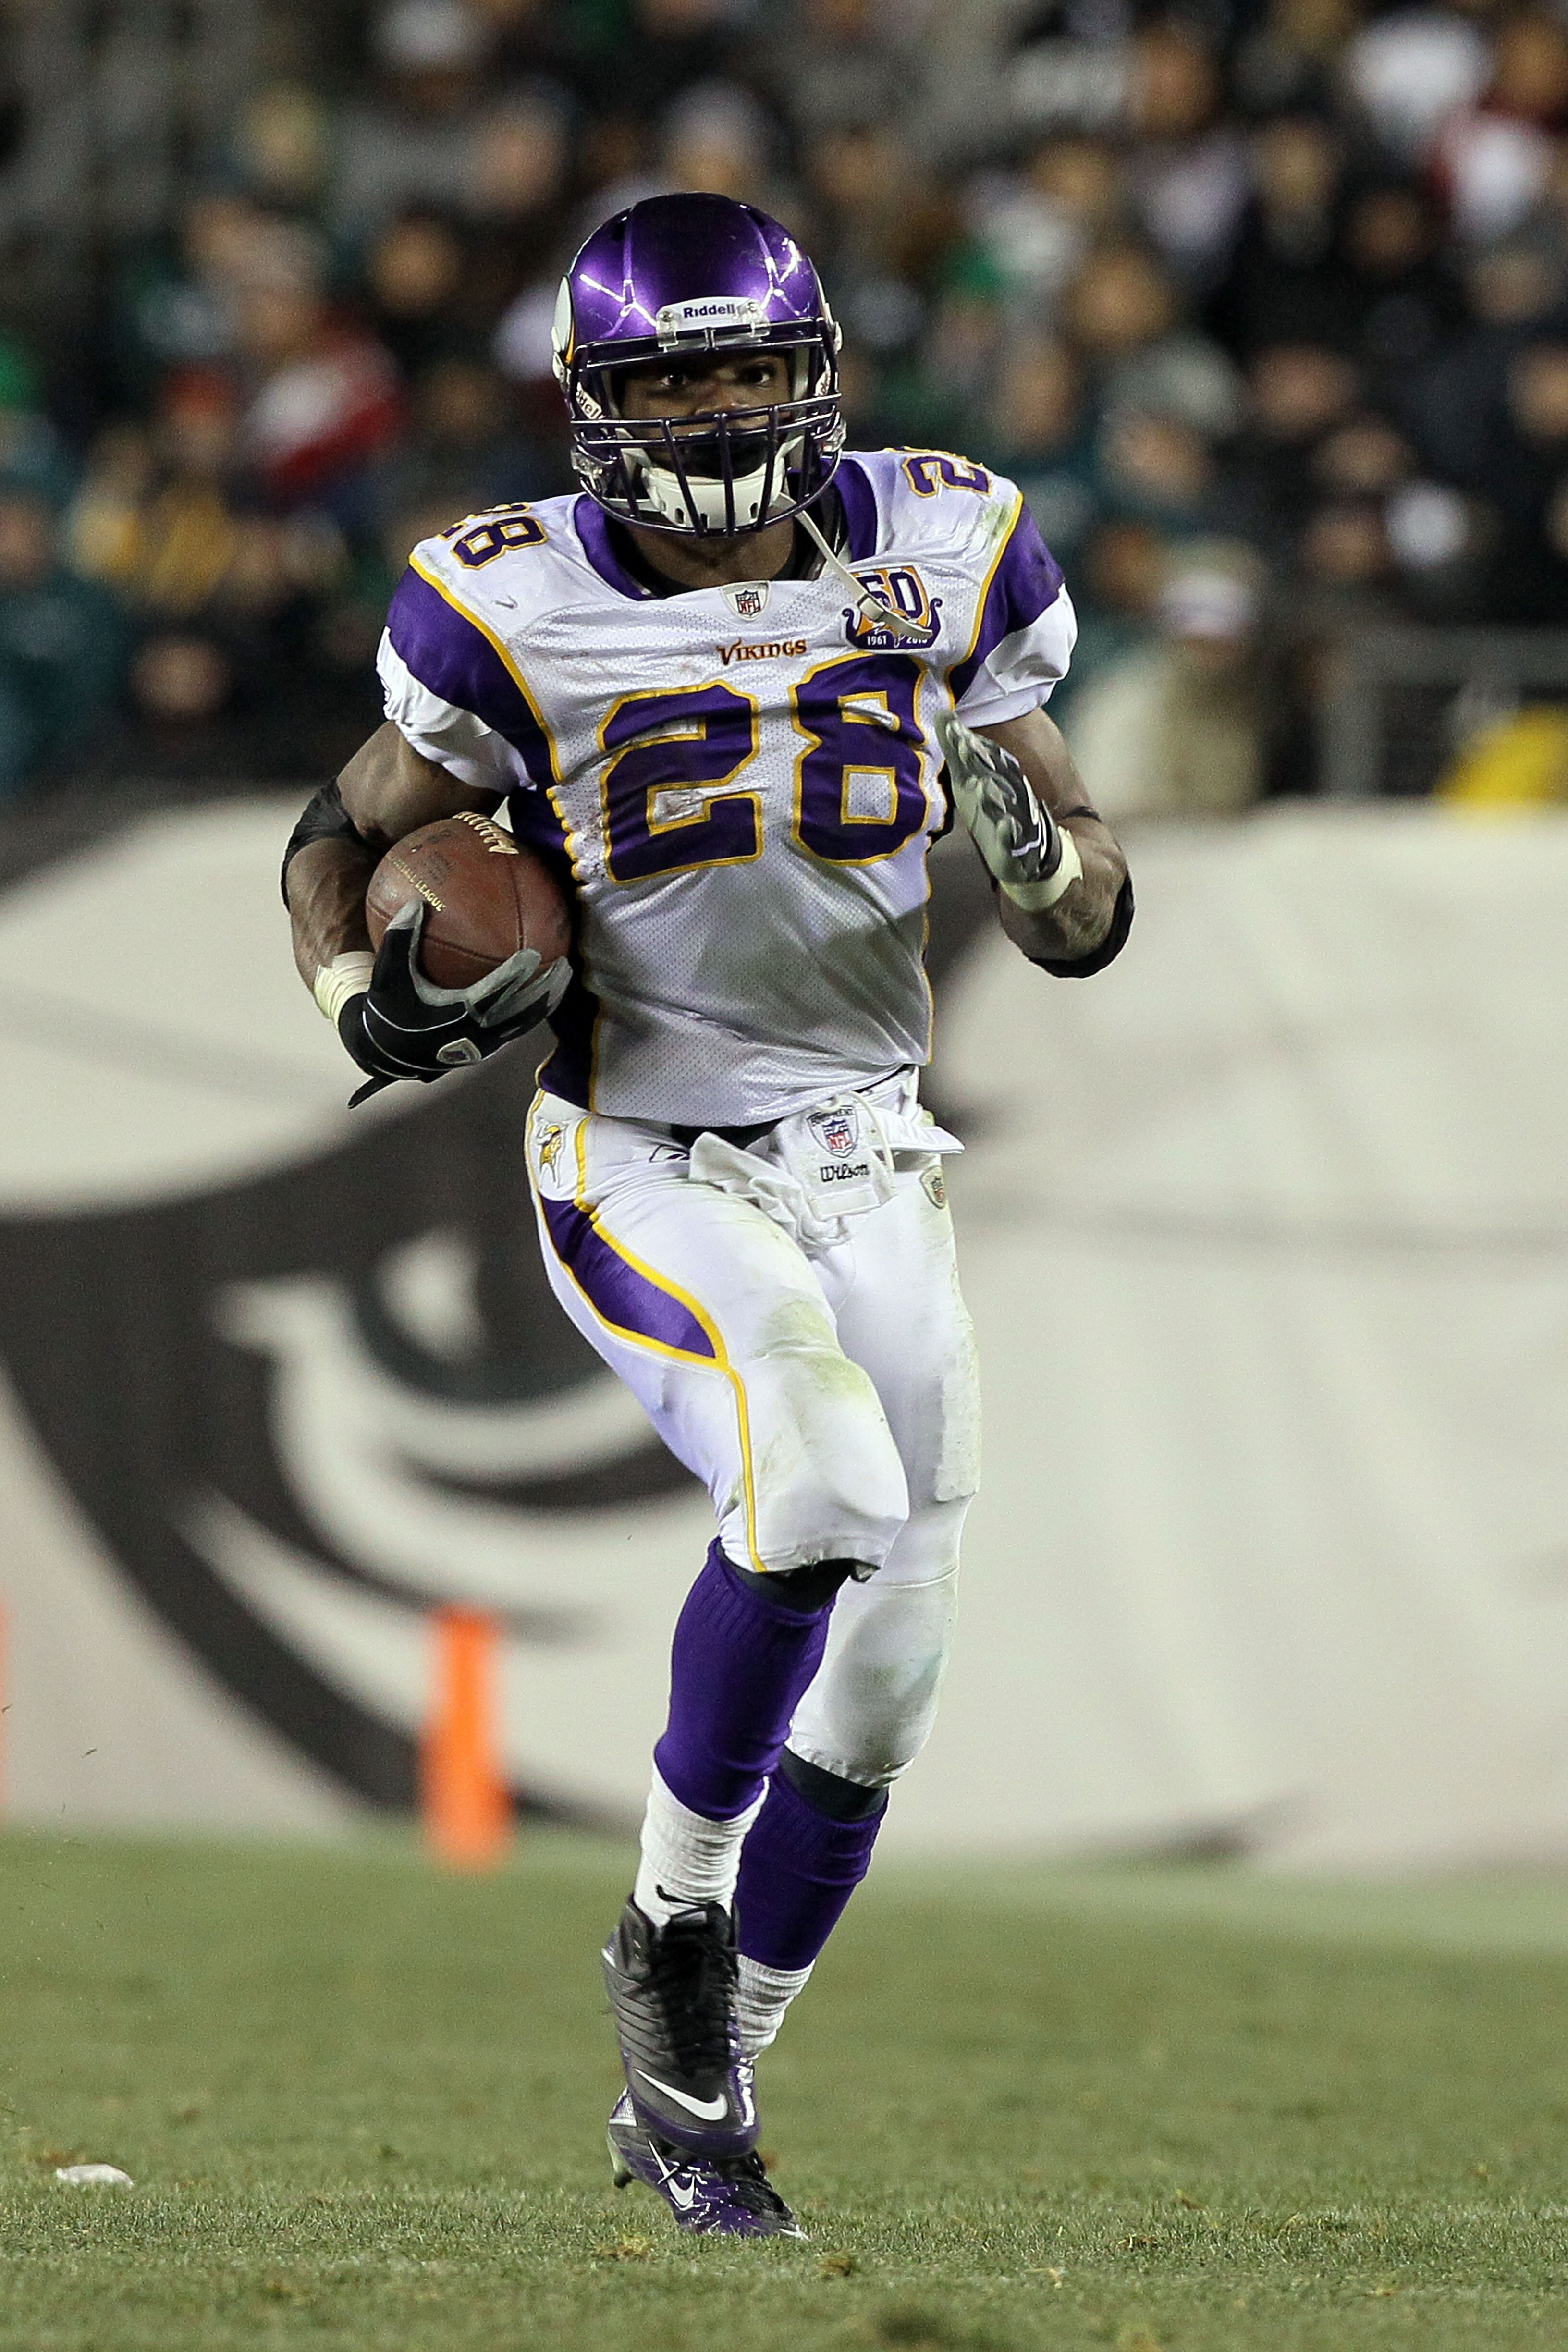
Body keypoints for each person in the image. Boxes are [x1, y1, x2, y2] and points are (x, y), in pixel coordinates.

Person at [282, 192, 1131, 2238]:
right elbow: (339, 836)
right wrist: (361, 997)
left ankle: (706, 2083)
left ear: (816, 366)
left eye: (751, 367)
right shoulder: (503, 601)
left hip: (869, 1146)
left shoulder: (941, 543)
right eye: (676, 378)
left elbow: (1083, 895)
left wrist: (1058, 872)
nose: (723, 408)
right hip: (645, 1151)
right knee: (819, 1484)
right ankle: (669, 1924)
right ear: (598, 405)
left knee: (895, 1682)